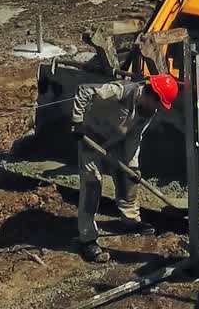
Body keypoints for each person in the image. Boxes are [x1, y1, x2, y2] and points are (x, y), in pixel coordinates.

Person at [70, 73, 179, 263]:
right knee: (92, 185)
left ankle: (129, 221)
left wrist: (132, 165)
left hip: (118, 141)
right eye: (160, 103)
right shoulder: (121, 92)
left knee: (129, 179)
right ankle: (87, 239)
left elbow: (135, 136)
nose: (160, 108)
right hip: (91, 139)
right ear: (151, 95)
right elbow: (84, 90)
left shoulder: (148, 111)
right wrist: (77, 121)